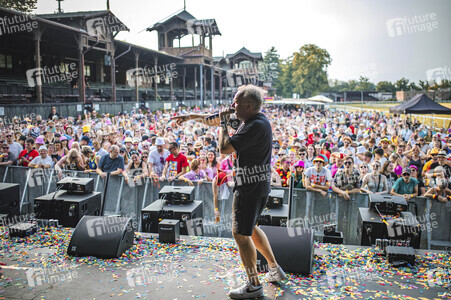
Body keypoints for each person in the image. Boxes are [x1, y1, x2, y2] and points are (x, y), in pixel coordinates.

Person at [215, 85, 285, 299]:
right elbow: (215, 119)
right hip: (258, 185)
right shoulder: (257, 120)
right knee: (251, 228)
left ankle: (253, 285)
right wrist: (190, 117)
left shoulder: (253, 126)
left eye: (235, 102)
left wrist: (223, 125)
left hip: (249, 187)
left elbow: (224, 148)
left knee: (240, 234)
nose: (232, 106)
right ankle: (274, 268)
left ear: (247, 105)